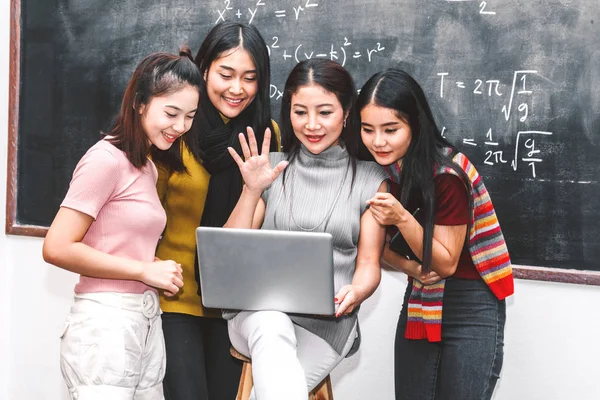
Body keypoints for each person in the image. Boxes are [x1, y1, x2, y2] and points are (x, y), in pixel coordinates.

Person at [42, 48, 202, 399]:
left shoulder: (145, 165)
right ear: (140, 103)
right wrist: (143, 271)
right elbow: (56, 247)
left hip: (142, 321)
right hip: (106, 325)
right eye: (171, 113)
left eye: (190, 116)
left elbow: (113, 242)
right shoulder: (105, 159)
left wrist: (152, 267)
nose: (181, 127)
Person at [223, 58, 388, 400]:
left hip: (327, 324)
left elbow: (369, 264)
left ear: (346, 114)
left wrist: (356, 292)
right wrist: (252, 189)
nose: (312, 124)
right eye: (300, 112)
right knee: (271, 322)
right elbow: (228, 251)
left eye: (325, 112)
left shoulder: (372, 180)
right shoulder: (271, 168)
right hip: (256, 316)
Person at [357, 68, 515, 400]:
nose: (378, 141)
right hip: (421, 296)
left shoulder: (447, 175)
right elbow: (375, 245)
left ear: (415, 125)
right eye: (367, 129)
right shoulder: (380, 172)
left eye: (391, 129)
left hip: (470, 303)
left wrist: (400, 216)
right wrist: (412, 268)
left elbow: (445, 264)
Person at [150, 22, 280, 400]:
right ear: (204, 68)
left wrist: (252, 190)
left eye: (250, 78)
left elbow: (244, 237)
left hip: (233, 305)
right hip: (173, 299)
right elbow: (144, 217)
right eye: (226, 74)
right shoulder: (177, 128)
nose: (237, 88)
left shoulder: (265, 135)